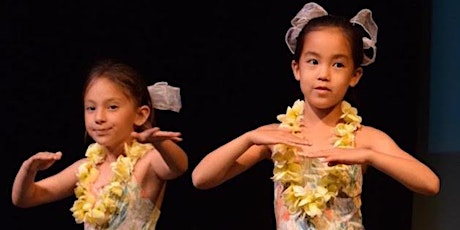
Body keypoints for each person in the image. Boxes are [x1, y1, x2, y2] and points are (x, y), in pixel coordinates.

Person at [191, 2, 439, 229]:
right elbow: (201, 179)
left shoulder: (364, 139)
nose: (324, 74)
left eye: (338, 64)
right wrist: (248, 138)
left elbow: (430, 184)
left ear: (355, 76)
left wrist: (369, 156)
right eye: (313, 61)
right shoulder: (278, 136)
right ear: (296, 69)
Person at [12, 59, 188, 229]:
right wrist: (28, 170)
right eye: (91, 108)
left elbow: (179, 166)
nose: (99, 118)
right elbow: (26, 198)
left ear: (140, 115)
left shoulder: (147, 162)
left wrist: (160, 143)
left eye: (112, 107)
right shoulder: (86, 168)